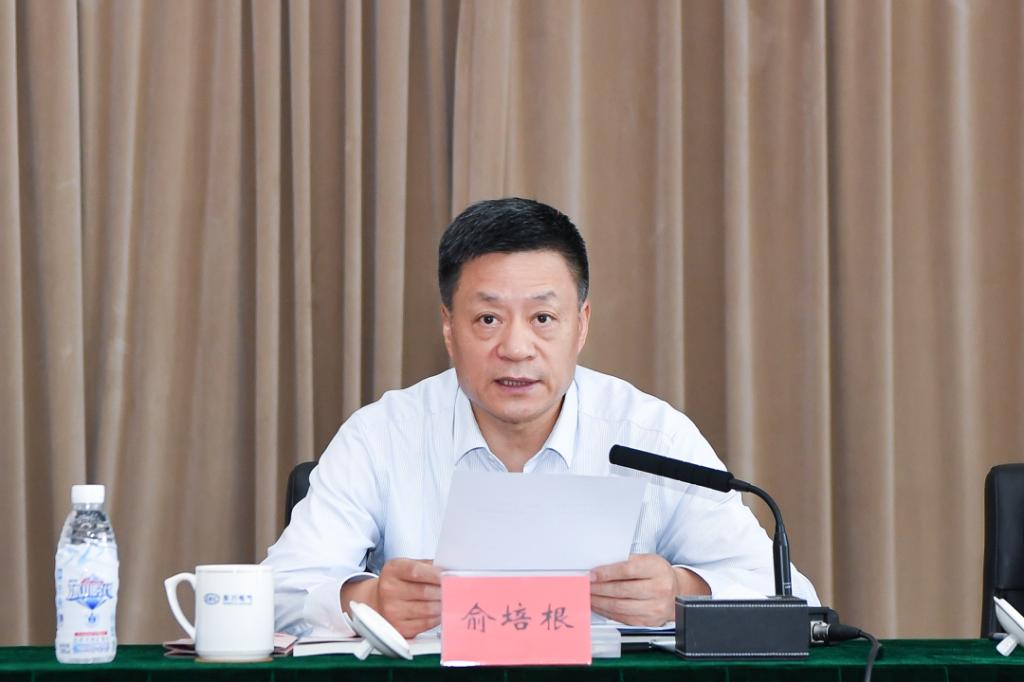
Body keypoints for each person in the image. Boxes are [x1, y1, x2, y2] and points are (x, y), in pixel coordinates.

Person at [263, 197, 819, 637]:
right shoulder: (383, 435)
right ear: (449, 328)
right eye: (487, 319)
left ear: (582, 324)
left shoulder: (650, 437)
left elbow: (794, 601)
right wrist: (367, 599)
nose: (515, 348)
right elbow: (276, 594)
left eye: (543, 318)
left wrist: (683, 592)